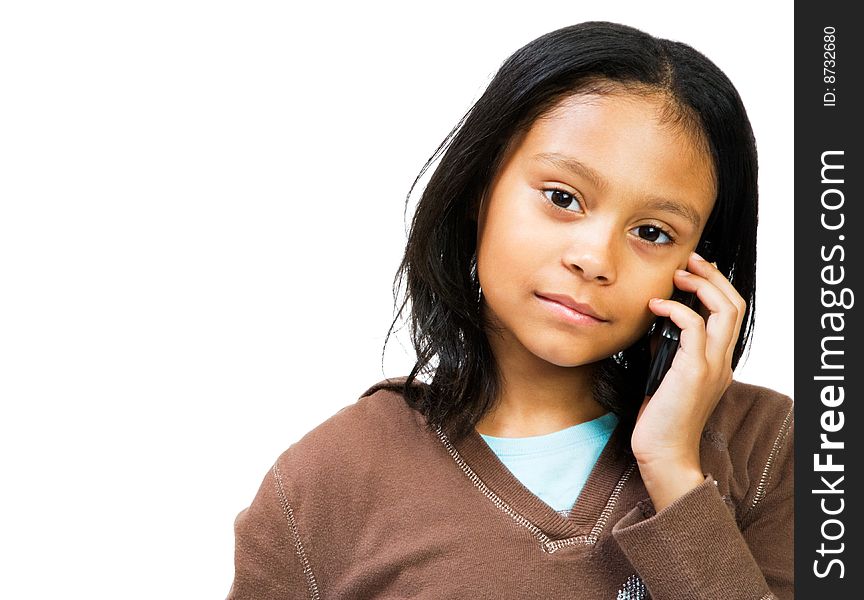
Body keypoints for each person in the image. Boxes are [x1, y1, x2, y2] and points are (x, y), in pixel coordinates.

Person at [227, 21, 793, 599]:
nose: (595, 259)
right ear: (480, 187)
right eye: (562, 198)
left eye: (652, 231)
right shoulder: (323, 483)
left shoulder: (770, 447)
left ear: (700, 266)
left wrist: (673, 471)